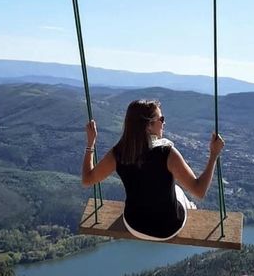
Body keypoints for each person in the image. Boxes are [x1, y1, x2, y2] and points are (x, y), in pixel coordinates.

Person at [82, 99, 225, 241]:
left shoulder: (118, 153)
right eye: (161, 119)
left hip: (134, 225)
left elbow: (87, 179)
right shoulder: (167, 153)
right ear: (148, 126)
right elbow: (199, 191)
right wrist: (213, 155)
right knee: (178, 191)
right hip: (168, 228)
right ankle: (191, 208)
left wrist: (90, 143)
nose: (164, 123)